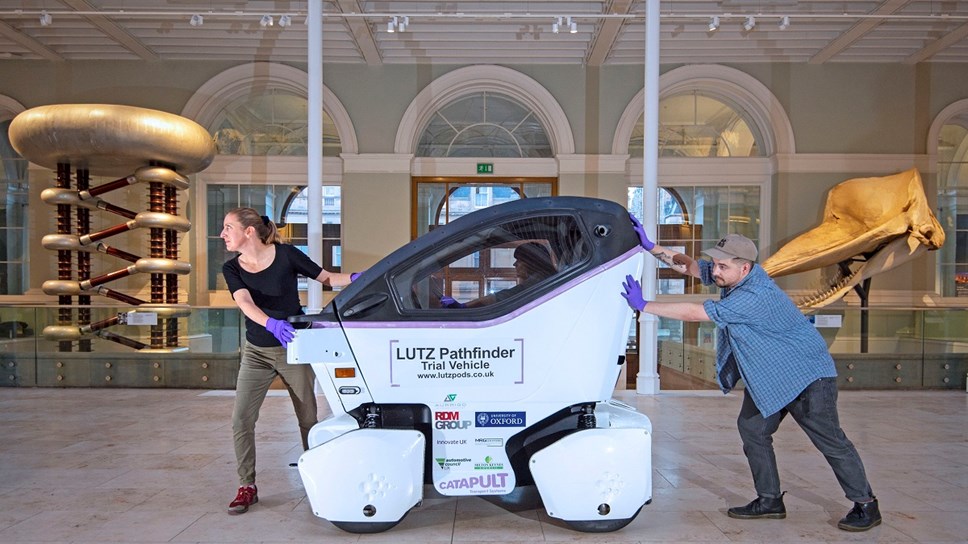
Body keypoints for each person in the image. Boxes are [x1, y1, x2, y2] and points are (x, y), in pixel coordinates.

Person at [620, 215, 881, 532]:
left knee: (830, 441)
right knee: (753, 430)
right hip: (772, 379)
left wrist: (645, 305)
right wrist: (650, 245)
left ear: (744, 268)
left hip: (807, 377)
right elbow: (688, 266)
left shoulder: (755, 295)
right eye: (714, 265)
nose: (715, 272)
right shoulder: (732, 278)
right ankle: (770, 500)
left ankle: (866, 505)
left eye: (722, 267)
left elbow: (696, 313)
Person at [220, 207, 355, 515]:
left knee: (308, 419)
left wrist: (360, 278)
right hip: (256, 351)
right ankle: (247, 486)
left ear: (249, 231)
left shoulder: (287, 255)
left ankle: (316, 477)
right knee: (241, 419)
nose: (223, 233)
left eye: (229, 227)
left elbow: (328, 277)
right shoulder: (233, 268)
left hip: (293, 348)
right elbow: (244, 301)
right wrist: (269, 324)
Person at [440, 241, 556, 308]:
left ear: (530, 262)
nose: (514, 264)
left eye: (519, 260)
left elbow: (506, 296)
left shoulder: (539, 281)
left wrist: (464, 307)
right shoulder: (542, 279)